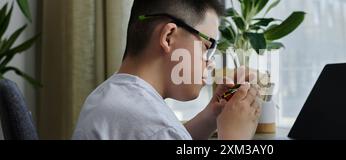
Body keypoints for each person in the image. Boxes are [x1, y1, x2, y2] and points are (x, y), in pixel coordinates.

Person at [72, 0, 261, 140]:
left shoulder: (106, 97)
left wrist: (211, 116)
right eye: (206, 47)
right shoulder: (154, 125)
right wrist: (235, 139)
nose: (209, 62)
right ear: (168, 37)